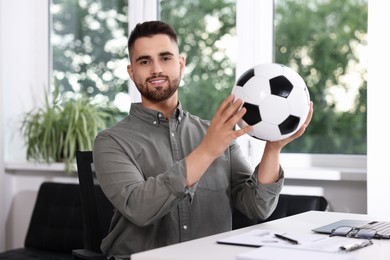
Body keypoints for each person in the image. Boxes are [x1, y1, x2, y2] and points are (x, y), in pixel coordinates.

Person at [93, 20, 313, 259]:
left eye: (165, 58)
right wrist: (207, 151)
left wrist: (273, 148)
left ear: (181, 63)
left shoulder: (217, 135)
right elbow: (139, 208)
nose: (156, 69)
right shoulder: (110, 141)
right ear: (131, 71)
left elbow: (256, 207)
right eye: (144, 61)